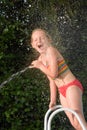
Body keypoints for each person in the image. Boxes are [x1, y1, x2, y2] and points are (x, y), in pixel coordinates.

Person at [29, 28, 87, 130]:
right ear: (33, 45)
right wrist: (53, 100)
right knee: (74, 123)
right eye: (35, 40)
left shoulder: (51, 51)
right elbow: (52, 80)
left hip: (71, 86)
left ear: (48, 40)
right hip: (62, 91)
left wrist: (40, 66)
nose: (39, 41)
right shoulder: (40, 59)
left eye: (42, 38)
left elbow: (54, 74)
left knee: (78, 119)